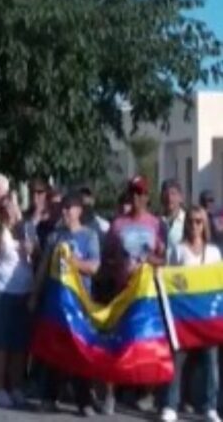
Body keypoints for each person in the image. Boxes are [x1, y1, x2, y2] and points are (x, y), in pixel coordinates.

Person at [32, 192, 100, 416]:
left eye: (69, 208)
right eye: (63, 208)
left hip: (79, 304)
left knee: (81, 351)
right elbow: (43, 268)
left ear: (79, 210)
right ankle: (49, 397)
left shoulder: (90, 236)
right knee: (54, 351)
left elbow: (94, 267)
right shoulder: (54, 237)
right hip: (55, 304)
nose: (65, 212)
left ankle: (84, 401)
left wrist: (73, 263)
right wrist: (35, 294)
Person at [102, 176, 166, 414]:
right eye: (133, 193)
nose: (136, 198)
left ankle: (147, 394)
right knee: (116, 343)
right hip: (121, 292)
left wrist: (152, 259)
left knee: (146, 344)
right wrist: (115, 264)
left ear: (147, 197)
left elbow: (164, 259)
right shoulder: (117, 224)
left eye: (140, 194)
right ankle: (110, 395)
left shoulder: (156, 224)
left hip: (146, 296)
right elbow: (105, 255)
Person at [160, 206, 221, 422]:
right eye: (192, 221)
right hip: (183, 318)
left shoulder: (214, 252)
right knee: (177, 361)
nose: (195, 225)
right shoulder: (176, 250)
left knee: (211, 362)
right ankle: (170, 405)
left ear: (205, 225)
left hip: (207, 319)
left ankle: (210, 407)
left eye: (199, 221)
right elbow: (168, 281)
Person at [0, 196, 35, 408]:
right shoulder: (1, 230)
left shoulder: (28, 227)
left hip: (24, 290)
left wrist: (32, 248)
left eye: (11, 206)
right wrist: (4, 224)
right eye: (4, 208)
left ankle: (15, 386)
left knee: (19, 344)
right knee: (0, 342)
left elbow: (39, 254)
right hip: (1, 289)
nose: (8, 210)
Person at [160, 180, 186, 261]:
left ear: (181, 197)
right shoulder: (156, 222)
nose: (169, 198)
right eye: (166, 194)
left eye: (173, 194)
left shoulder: (189, 221)